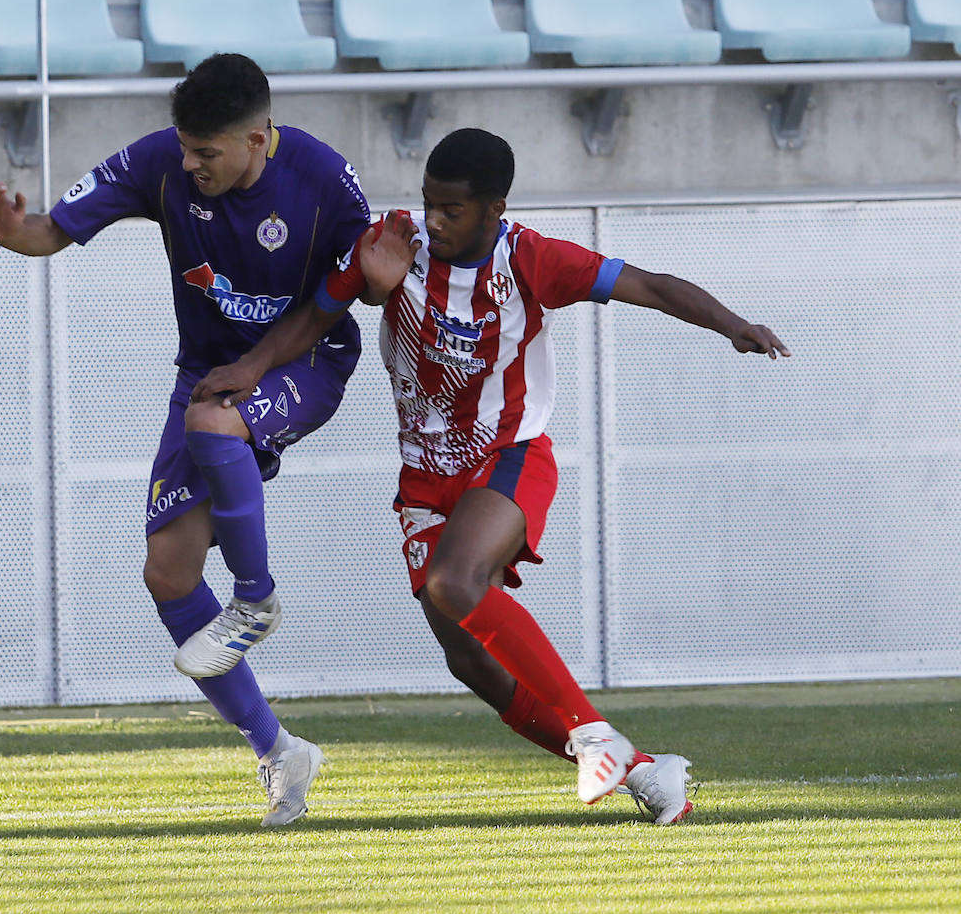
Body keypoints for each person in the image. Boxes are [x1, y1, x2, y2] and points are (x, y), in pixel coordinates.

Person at [190, 127, 791, 824]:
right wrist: (253, 368)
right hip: (423, 476)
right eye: (428, 204)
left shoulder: (531, 259)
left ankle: (596, 734)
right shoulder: (392, 243)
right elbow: (317, 314)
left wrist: (730, 323)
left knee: (455, 582)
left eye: (452, 210)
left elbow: (647, 285)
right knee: (469, 661)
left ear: (494, 209)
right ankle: (642, 772)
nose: (434, 222)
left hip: (507, 455)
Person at [0, 53, 371, 827]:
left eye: (207, 152)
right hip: (209, 373)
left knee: (213, 419)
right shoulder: (165, 161)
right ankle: (279, 751)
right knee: (168, 573)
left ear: (258, 139)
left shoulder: (324, 181)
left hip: (305, 360)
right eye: (185, 148)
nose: (189, 164)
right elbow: (53, 229)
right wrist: (18, 234)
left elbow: (361, 283)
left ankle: (255, 599)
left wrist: (277, 350)